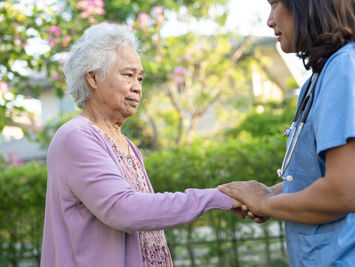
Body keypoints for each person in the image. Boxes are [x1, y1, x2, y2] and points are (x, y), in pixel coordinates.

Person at [40, 22, 241, 267]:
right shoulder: (76, 136)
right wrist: (218, 198)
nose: (137, 87)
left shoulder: (127, 145)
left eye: (141, 78)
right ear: (92, 77)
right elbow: (124, 210)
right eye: (128, 75)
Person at [218, 0, 355, 266]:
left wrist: (265, 204)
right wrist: (270, 194)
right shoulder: (321, 77)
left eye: (275, 4)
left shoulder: (349, 67)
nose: (270, 20)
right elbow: (321, 176)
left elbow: (346, 191)